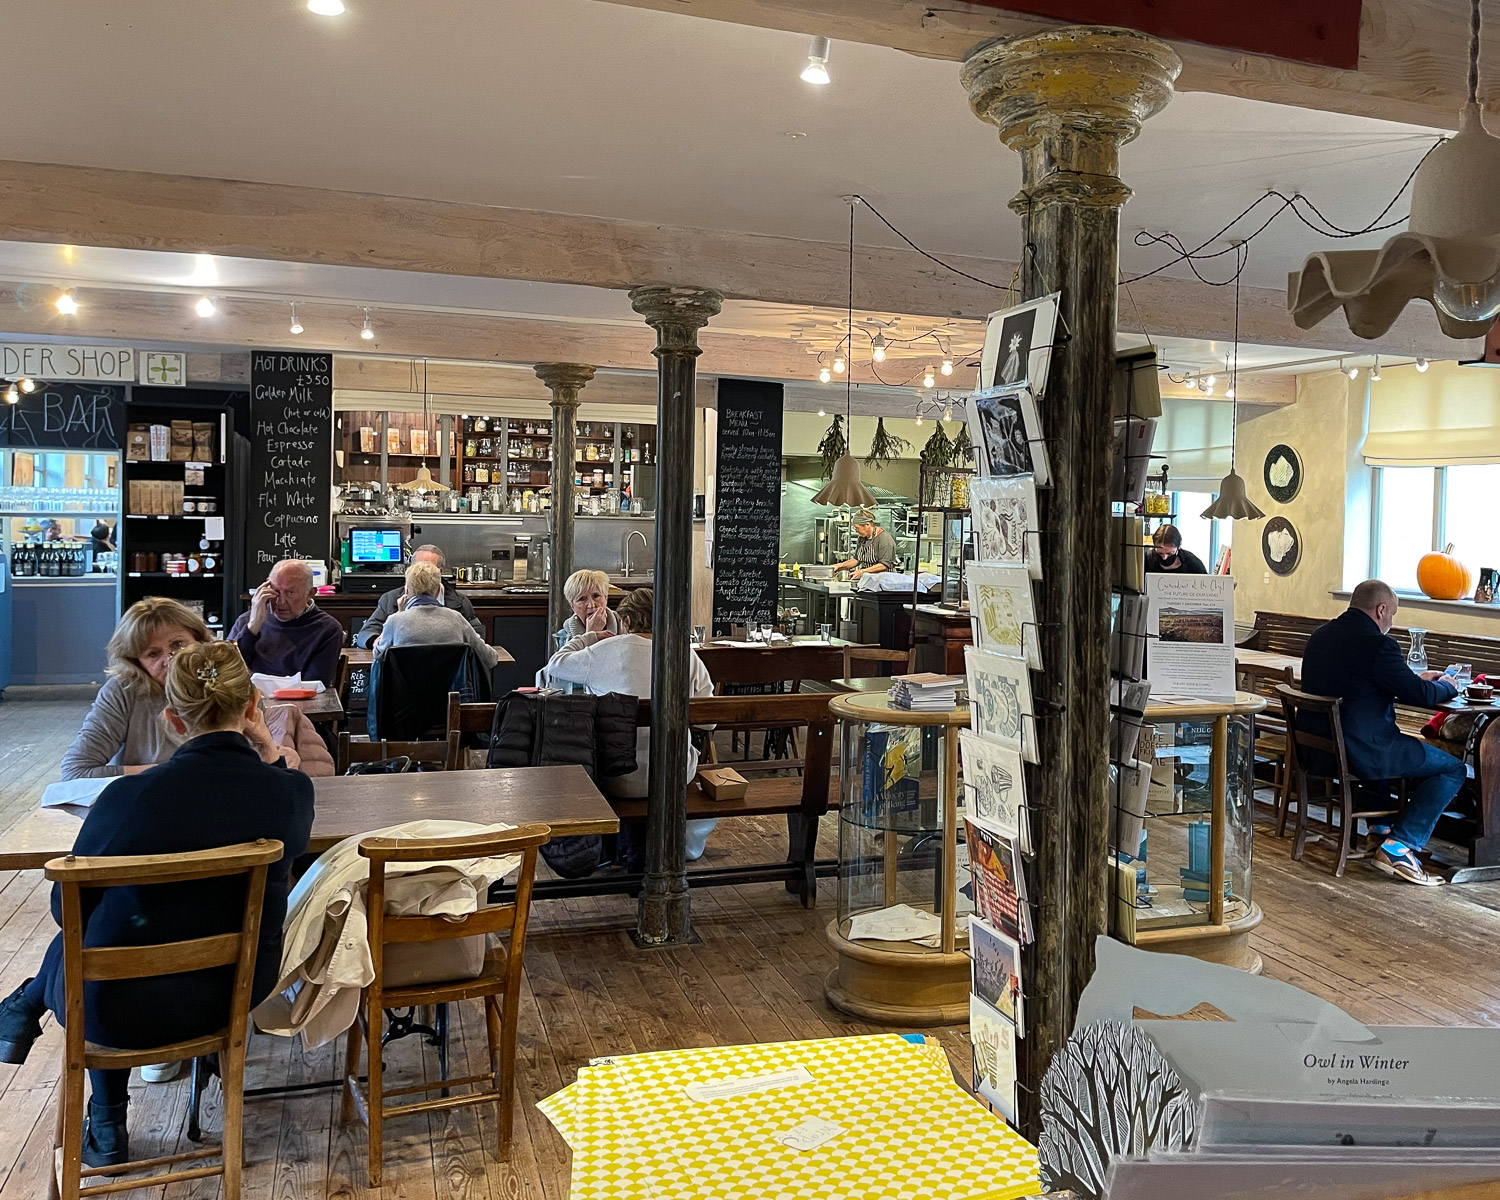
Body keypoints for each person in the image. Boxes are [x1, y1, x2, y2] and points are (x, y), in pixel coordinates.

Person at [0, 641, 314, 1167]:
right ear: (253, 709)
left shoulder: (127, 799)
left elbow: (63, 911)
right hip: (234, 992)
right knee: (110, 940)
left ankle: (101, 1118)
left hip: (114, 1009)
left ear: (172, 719)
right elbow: (287, 789)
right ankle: (28, 1006)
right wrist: (266, 746)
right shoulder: (287, 794)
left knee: (90, 940)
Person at [1300, 579, 1465, 886]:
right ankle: (1400, 846)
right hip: (1361, 752)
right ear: (1381, 610)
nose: (1392, 621)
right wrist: (1446, 686)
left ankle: (1380, 831)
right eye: (1393, 614)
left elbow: (1378, 682)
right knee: (1453, 769)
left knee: (1390, 737)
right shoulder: (1377, 644)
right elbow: (1420, 696)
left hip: (1321, 751)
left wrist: (1417, 680)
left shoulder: (1321, 636)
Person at [61, 596, 333, 780]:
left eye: (178, 645)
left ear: (200, 640)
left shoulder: (229, 681)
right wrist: (179, 773)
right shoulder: (124, 691)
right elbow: (75, 772)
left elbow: (261, 756)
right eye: (152, 654)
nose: (170, 660)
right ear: (136, 662)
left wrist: (277, 755)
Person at [545, 588, 718, 860]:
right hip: (671, 777)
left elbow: (555, 665)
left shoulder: (603, 650)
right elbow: (710, 724)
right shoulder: (684, 654)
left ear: (625, 621)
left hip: (614, 777)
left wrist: (588, 637)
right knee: (689, 753)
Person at [229, 558, 345, 685]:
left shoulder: (327, 629)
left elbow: (314, 685)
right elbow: (227, 672)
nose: (281, 602)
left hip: (301, 702)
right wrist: (252, 628)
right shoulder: (246, 621)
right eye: (276, 591)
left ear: (310, 593)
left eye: (290, 593)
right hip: (250, 701)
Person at [373, 560, 499, 670]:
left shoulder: (394, 621)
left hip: (402, 696)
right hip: (450, 696)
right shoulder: (456, 618)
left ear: (407, 590)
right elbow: (491, 659)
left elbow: (378, 655)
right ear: (439, 589)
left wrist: (400, 612)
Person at [355, 544, 482, 648]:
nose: (422, 573)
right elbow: (366, 633)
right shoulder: (391, 599)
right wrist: (377, 642)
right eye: (418, 568)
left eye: (428, 568)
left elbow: (477, 636)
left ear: (440, 572)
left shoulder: (459, 603)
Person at [831, 509, 900, 582]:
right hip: (870, 580)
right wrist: (839, 566)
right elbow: (856, 560)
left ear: (867, 525)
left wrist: (862, 572)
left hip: (884, 582)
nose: (856, 531)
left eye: (857, 528)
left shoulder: (884, 539)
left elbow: (884, 565)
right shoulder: (862, 538)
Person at [558, 568, 620, 641]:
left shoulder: (624, 624)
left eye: (596, 596)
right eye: (582, 599)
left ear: (606, 598)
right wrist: (591, 635)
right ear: (572, 606)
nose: (591, 605)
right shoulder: (564, 635)